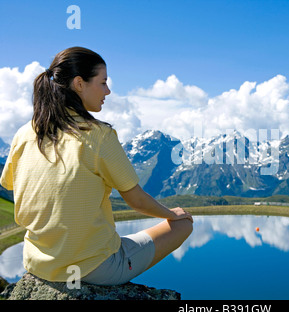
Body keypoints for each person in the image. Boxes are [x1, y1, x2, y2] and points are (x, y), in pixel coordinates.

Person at [0, 47, 193, 285]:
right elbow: (137, 201)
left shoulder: (26, 132)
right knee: (183, 225)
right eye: (103, 83)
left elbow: (8, 183)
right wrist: (171, 213)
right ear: (79, 83)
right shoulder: (99, 135)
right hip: (92, 269)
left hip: (37, 263)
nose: (108, 91)